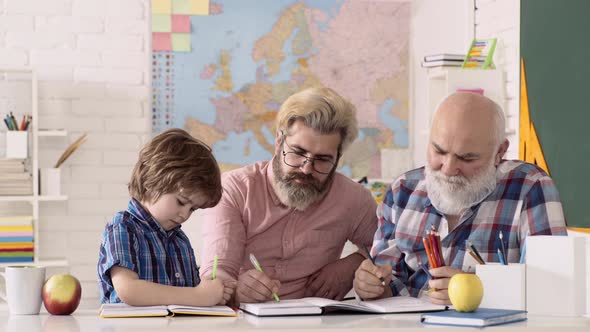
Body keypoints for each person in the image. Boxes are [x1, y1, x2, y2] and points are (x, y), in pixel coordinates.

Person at [353, 92, 567, 305]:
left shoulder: (530, 188)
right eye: (439, 151)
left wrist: (479, 290)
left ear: (499, 151)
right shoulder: (402, 191)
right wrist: (371, 285)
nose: (448, 168)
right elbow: (387, 283)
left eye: (467, 158)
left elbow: (554, 289)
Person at [200, 87, 378, 304]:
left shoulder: (353, 198)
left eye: (322, 159)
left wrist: (353, 264)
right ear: (279, 142)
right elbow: (216, 275)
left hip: (318, 323)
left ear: (338, 158)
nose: (306, 169)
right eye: (298, 153)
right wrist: (237, 291)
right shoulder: (233, 189)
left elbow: (389, 249)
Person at [98, 128, 234, 306]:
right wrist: (199, 296)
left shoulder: (179, 240)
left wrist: (213, 291)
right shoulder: (123, 227)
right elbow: (129, 290)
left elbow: (189, 295)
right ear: (152, 182)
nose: (185, 214)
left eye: (193, 209)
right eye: (180, 202)